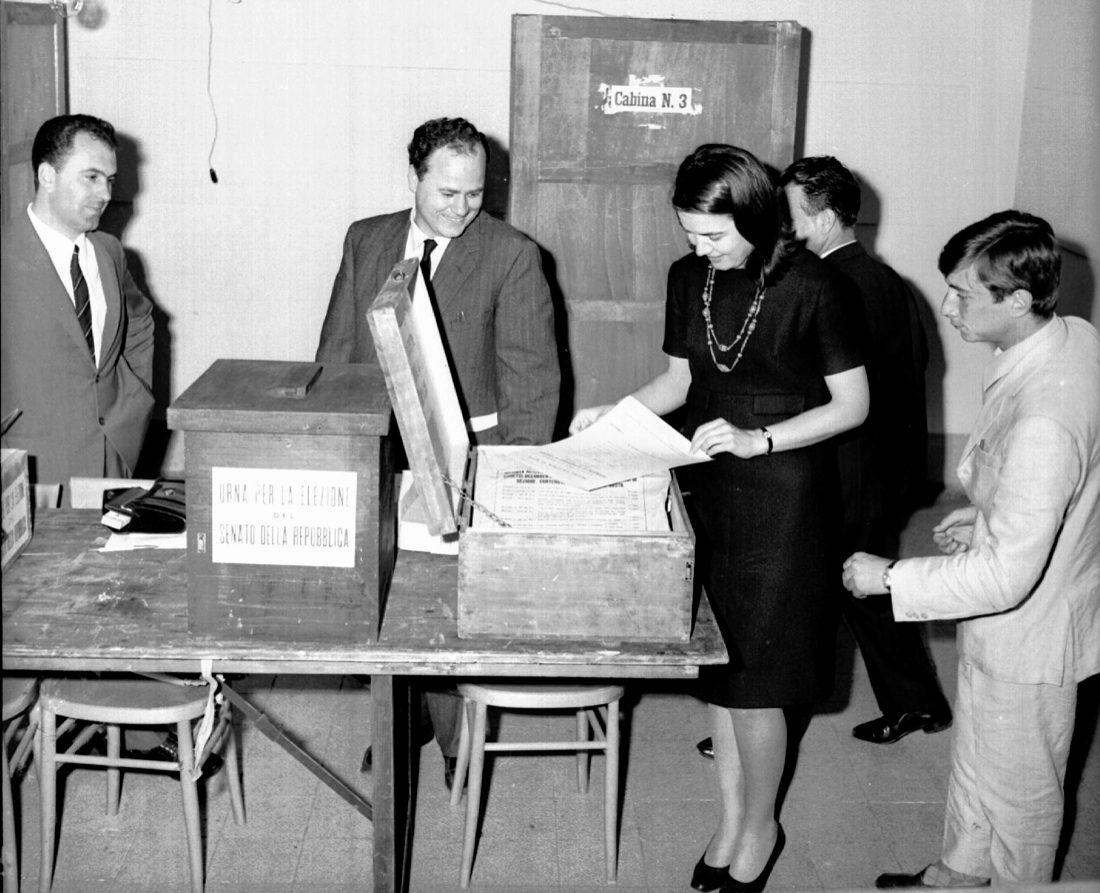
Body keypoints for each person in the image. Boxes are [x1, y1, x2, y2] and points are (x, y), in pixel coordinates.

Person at [572, 144, 869, 892]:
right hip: (707, 485)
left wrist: (758, 438)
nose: (700, 248)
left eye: (714, 234)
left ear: (758, 215)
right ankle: (731, 818)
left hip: (784, 496)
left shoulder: (817, 285)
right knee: (719, 668)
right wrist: (615, 414)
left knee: (759, 682)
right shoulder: (689, 277)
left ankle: (761, 827)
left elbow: (852, 405)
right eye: (690, 234)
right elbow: (679, 383)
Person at [843, 211, 1100, 888]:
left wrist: (892, 577)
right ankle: (959, 874)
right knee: (981, 752)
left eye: (962, 293)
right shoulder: (1072, 336)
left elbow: (1007, 577)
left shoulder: (1045, 417)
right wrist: (988, 509)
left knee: (1021, 794)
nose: (947, 307)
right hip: (1025, 608)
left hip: (1034, 630)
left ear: (1018, 300)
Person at [315, 116, 560, 789]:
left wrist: (508, 479)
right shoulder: (366, 238)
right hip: (379, 447)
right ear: (414, 177)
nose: (461, 208)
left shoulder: (513, 254)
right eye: (447, 193)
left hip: (466, 456)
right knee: (379, 599)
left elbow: (532, 380)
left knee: (444, 608)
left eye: (475, 194)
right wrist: (334, 444)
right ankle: (400, 724)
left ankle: (456, 740)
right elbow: (337, 347)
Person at [780, 155, 951, 744]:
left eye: (790, 216)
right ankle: (918, 703)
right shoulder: (890, 282)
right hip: (880, 469)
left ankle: (764, 725)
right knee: (864, 590)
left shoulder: (829, 286)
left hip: (840, 472)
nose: (783, 229)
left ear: (825, 218)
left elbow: (816, 389)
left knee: (804, 600)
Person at [1, 114, 154, 508]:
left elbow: (140, 321)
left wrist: (133, 401)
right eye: (91, 177)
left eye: (110, 180)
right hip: (33, 477)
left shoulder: (110, 252)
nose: (105, 193)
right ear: (47, 176)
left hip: (112, 461)